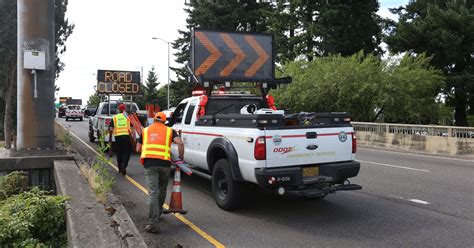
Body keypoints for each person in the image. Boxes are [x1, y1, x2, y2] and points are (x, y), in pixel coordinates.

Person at [138, 112, 184, 234]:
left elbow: (138, 148)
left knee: (153, 192)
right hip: (165, 164)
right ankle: (157, 214)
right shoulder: (170, 131)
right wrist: (180, 157)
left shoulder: (145, 131)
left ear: (154, 120)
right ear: (164, 121)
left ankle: (153, 223)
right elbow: (180, 143)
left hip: (150, 164)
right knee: (162, 189)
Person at [108, 103, 132, 175]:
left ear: (118, 110)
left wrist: (110, 140)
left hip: (118, 137)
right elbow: (132, 128)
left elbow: (111, 129)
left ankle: (120, 169)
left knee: (119, 153)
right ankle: (124, 164)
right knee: (126, 152)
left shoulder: (114, 117)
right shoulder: (128, 117)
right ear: (124, 109)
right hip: (126, 136)